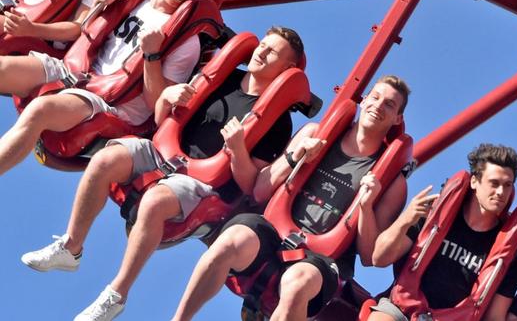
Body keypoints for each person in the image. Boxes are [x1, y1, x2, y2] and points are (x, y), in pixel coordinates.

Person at [20, 25, 304, 321]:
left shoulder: (279, 122)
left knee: (155, 201)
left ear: (288, 68)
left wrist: (238, 150)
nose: (262, 53)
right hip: (163, 153)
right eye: (264, 46)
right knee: (106, 159)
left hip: (203, 183)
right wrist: (168, 98)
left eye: (273, 53)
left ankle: (116, 294)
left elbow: (251, 184)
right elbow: (162, 119)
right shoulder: (220, 76)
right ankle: (71, 247)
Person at [171, 76, 411, 321]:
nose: (379, 106)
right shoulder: (314, 133)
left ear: (397, 119)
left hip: (324, 259)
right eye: (376, 98)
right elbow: (260, 190)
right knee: (229, 240)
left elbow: (370, 254)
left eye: (390, 105)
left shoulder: (393, 184)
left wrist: (367, 205)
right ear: (364, 101)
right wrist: (294, 158)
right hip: (273, 233)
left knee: (297, 284)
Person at [0, 0, 209, 177]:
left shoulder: (186, 40)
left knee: (40, 111)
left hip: (107, 100)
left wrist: (152, 55)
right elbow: (88, 34)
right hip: (74, 71)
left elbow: (156, 103)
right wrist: (101, 6)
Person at [368, 143, 517, 321]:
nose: (501, 192)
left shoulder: (512, 257)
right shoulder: (433, 217)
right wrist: (406, 219)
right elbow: (379, 258)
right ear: (475, 181)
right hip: (401, 309)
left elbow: (494, 317)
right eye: (494, 183)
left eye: (508, 185)